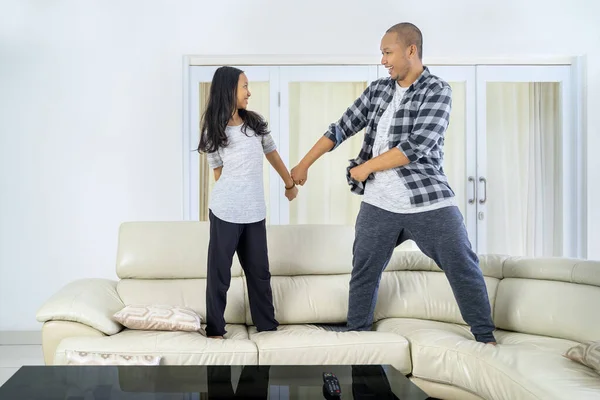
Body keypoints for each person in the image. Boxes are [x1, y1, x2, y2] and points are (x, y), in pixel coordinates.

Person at [290, 23, 497, 344]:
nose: (383, 60)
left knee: (462, 266)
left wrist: (365, 167)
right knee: (364, 271)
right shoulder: (378, 90)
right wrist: (303, 164)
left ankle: (485, 338)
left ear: (411, 50)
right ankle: (357, 334)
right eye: (382, 53)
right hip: (379, 204)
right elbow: (341, 127)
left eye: (388, 52)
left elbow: (417, 146)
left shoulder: (437, 90)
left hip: (427, 201)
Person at [197, 66, 298, 339]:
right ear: (229, 89)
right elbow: (218, 173)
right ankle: (215, 331)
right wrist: (235, 196)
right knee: (219, 276)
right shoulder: (213, 131)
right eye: (244, 86)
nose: (249, 92)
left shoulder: (255, 124)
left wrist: (289, 184)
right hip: (225, 211)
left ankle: (267, 327)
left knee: (260, 274)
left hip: (255, 213)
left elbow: (273, 156)